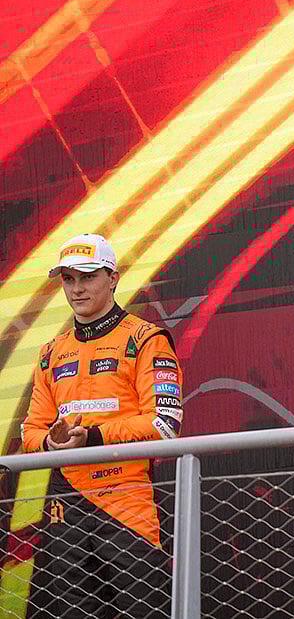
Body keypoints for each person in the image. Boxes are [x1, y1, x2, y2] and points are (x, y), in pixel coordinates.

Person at [21, 233, 183, 618]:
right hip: (68, 504)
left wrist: (93, 437)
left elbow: (165, 424)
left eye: (88, 277)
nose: (77, 289)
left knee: (145, 611)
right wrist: (52, 443)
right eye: (68, 279)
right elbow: (31, 434)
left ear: (113, 277)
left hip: (129, 499)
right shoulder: (50, 353)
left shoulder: (146, 339)